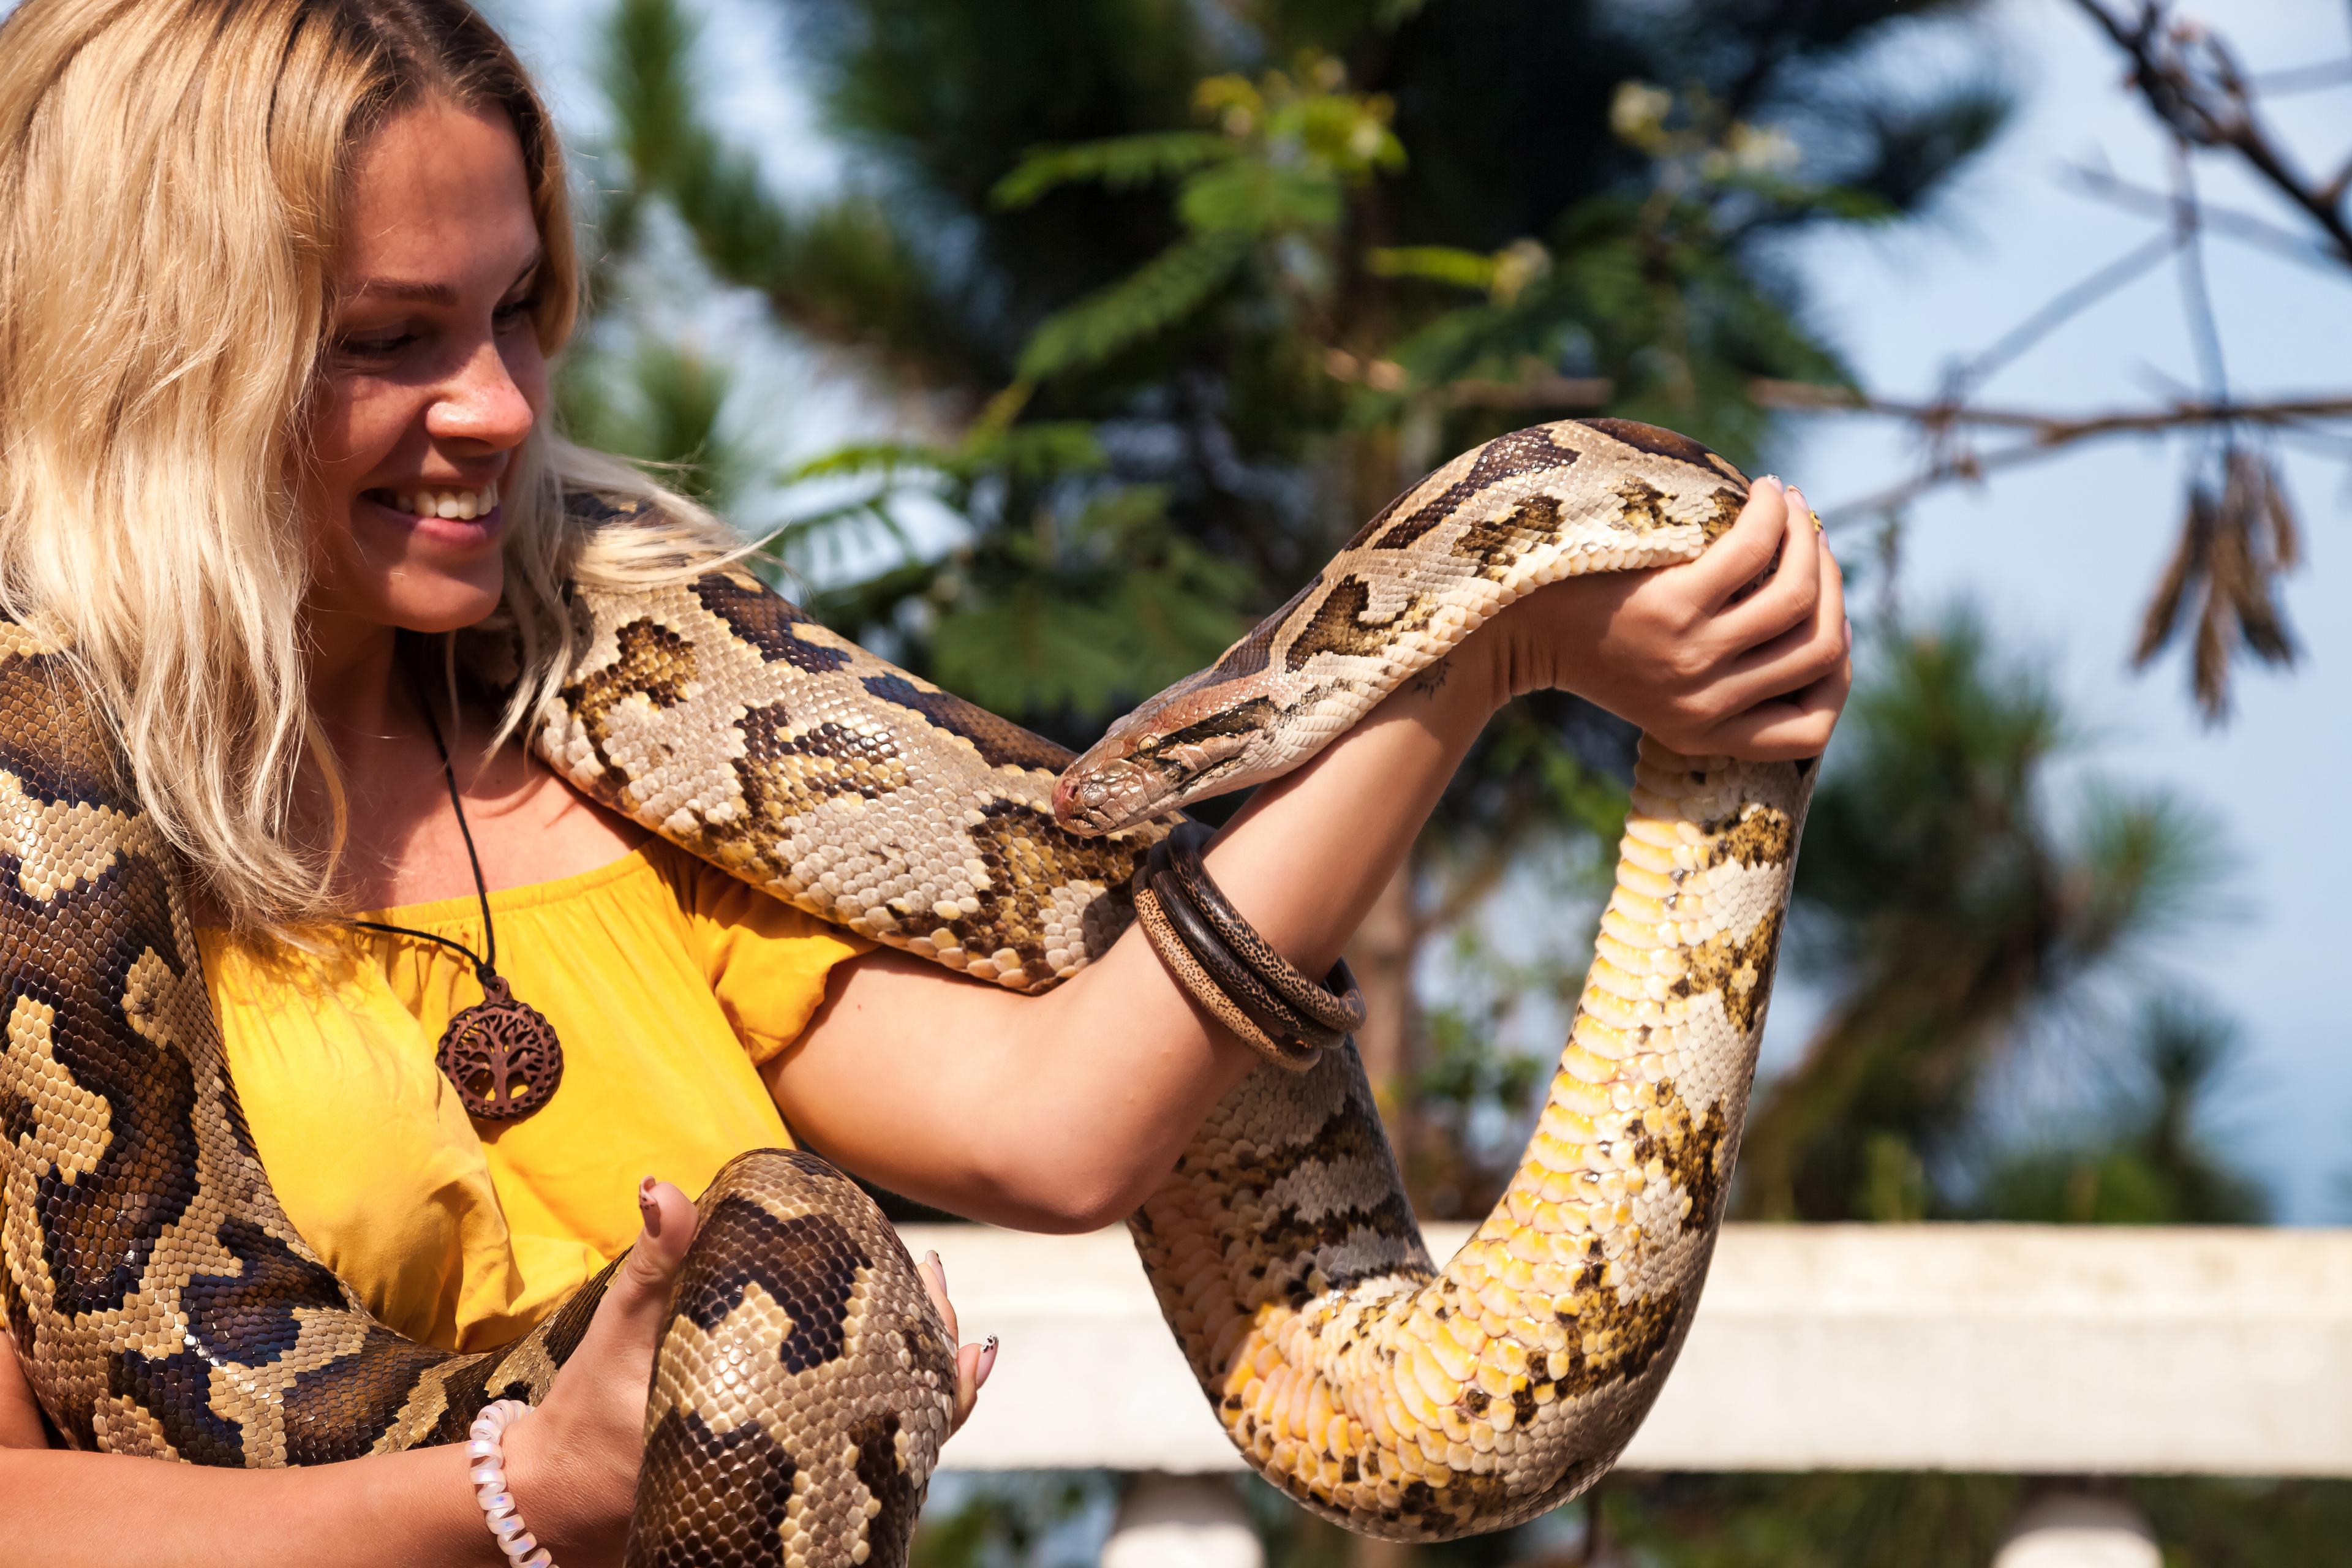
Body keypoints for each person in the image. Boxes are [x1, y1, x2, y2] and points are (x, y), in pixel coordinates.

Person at [0, 1, 1851, 1563]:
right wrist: (520, 1486)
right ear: (168, 363)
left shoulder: (615, 771)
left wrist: (1473, 666)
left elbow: (1064, 1125)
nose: (499, 405)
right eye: (392, 340)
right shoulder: (38, 826)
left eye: (519, 313)